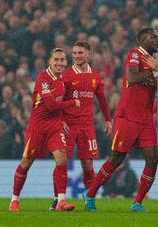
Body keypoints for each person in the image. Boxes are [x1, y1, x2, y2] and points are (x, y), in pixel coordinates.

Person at [82, 28, 158, 213]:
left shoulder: (155, 62)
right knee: (117, 158)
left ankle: (137, 203)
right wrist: (152, 70)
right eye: (153, 37)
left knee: (153, 160)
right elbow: (132, 78)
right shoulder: (134, 55)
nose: (157, 40)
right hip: (128, 116)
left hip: (146, 118)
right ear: (143, 41)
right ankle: (90, 194)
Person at [9, 48, 80, 211]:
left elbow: (59, 104)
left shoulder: (64, 80)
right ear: (50, 61)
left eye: (62, 60)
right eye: (56, 60)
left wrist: (61, 119)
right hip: (38, 127)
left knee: (62, 159)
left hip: (54, 126)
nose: (59, 63)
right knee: (26, 163)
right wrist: (72, 103)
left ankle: (60, 201)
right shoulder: (43, 78)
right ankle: (14, 200)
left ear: (66, 62)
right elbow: (51, 105)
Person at [48, 41, 112, 211]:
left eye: (80, 53)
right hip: (68, 124)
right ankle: (58, 199)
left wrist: (108, 119)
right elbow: (57, 99)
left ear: (88, 54)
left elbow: (102, 99)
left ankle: (89, 201)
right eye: (74, 53)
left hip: (87, 125)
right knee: (62, 161)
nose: (76, 56)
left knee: (88, 164)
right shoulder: (66, 74)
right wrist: (60, 119)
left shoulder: (96, 75)